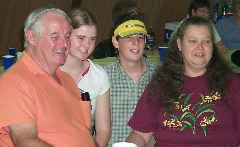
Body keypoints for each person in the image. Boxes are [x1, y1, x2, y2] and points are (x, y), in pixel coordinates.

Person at [126, 16, 240, 146]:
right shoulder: (161, 83)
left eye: (206, 41)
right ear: (179, 45)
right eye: (192, 41)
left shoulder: (233, 83)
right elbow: (140, 134)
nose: (200, 47)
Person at [0, 7, 95, 147]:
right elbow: (26, 142)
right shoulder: (15, 81)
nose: (64, 44)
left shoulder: (67, 80)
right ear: (32, 37)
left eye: (67, 36)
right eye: (55, 36)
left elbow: (82, 133)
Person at [104, 11, 156, 146]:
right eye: (128, 37)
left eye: (140, 37)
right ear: (115, 41)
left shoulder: (161, 76)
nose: (136, 42)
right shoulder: (103, 78)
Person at [60, 8, 111, 147]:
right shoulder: (48, 72)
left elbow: (103, 130)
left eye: (92, 39)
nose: (87, 45)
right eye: (81, 38)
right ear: (66, 36)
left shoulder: (99, 76)